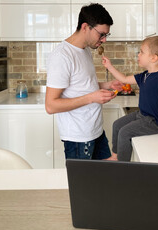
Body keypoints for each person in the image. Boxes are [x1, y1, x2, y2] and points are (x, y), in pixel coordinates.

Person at [45, 3, 123, 160]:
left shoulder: (85, 50)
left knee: (106, 177)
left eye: (106, 35)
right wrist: (92, 98)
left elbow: (83, 84)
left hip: (96, 130)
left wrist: (107, 85)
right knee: (84, 183)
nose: (104, 40)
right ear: (85, 26)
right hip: (78, 138)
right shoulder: (62, 56)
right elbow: (51, 105)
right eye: (101, 34)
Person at [102, 36, 158, 162]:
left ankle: (122, 165)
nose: (138, 54)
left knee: (125, 132)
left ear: (154, 58)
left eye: (141, 51)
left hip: (155, 121)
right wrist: (109, 66)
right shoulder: (144, 75)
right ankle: (115, 156)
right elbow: (124, 79)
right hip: (142, 115)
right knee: (117, 125)